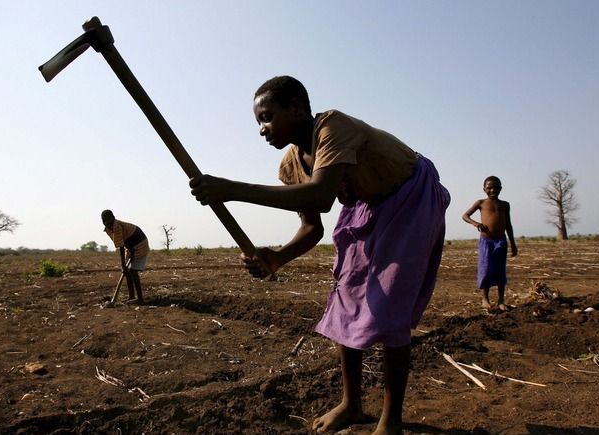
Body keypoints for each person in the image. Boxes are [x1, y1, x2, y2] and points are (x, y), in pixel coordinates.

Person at [189, 76, 450, 434]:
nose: (262, 129)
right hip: (364, 204)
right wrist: (278, 257)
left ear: (297, 108)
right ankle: (351, 404)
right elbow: (312, 227)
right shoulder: (290, 165)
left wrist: (231, 189)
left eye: (267, 117)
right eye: (258, 122)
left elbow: (321, 196)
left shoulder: (332, 126)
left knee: (389, 307)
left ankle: (391, 421)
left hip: (408, 195)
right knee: (345, 301)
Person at [462, 176, 517, 311]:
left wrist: (513, 243)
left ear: (501, 188)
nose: (493, 190)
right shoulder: (481, 203)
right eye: (489, 188)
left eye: (496, 187)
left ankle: (501, 300)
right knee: (486, 269)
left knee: (500, 270)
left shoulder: (505, 205)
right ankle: (485, 299)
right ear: (484, 189)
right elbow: (465, 216)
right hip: (486, 241)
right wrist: (476, 224)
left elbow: (508, 225)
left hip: (501, 241)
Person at [101, 210, 150, 305]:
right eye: (104, 221)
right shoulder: (108, 229)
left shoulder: (116, 226)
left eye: (108, 220)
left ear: (113, 218)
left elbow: (121, 246)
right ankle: (131, 296)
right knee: (127, 272)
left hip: (140, 243)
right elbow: (121, 242)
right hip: (131, 246)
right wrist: (129, 253)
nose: (106, 222)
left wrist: (123, 264)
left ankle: (140, 299)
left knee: (133, 270)